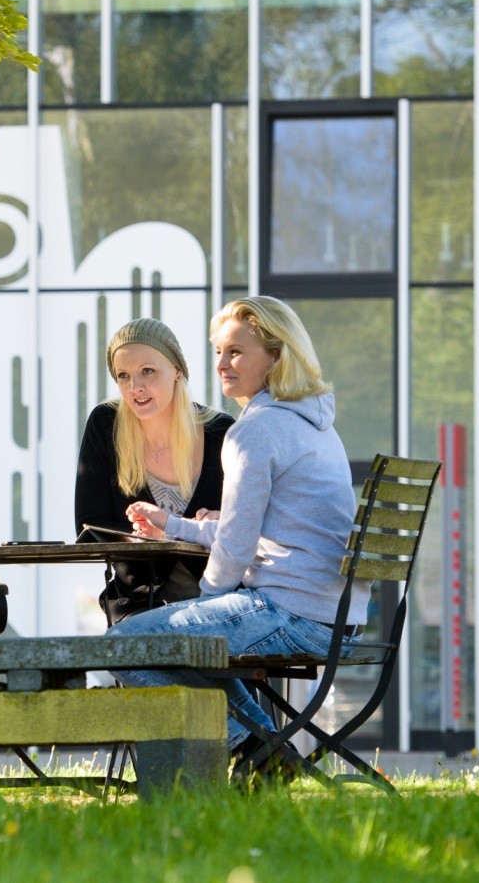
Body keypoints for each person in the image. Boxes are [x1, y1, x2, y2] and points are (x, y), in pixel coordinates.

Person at [108, 296, 361, 760]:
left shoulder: (254, 431)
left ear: (276, 355)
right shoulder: (316, 424)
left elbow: (237, 546)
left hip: (291, 611)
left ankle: (256, 747)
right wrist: (175, 526)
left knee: (126, 644)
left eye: (237, 352)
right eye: (219, 351)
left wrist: (206, 603)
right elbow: (258, 528)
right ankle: (263, 751)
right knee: (176, 642)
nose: (222, 363)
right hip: (336, 616)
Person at [74, 318, 235, 626]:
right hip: (138, 601)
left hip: (219, 601)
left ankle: (237, 677)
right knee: (136, 654)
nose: (136, 387)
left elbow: (247, 526)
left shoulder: (221, 431)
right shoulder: (105, 425)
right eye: (124, 376)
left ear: (177, 370)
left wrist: (211, 521)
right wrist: (140, 538)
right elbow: (89, 526)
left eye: (148, 371)